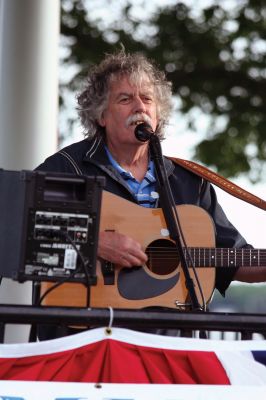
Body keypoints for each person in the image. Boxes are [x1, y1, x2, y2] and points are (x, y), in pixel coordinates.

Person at [36, 50, 265, 338]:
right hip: (84, 336)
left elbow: (234, 260)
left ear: (158, 114)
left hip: (171, 342)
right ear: (101, 115)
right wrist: (93, 242)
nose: (139, 107)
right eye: (125, 99)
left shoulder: (190, 183)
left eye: (147, 99)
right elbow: (24, 228)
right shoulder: (66, 168)